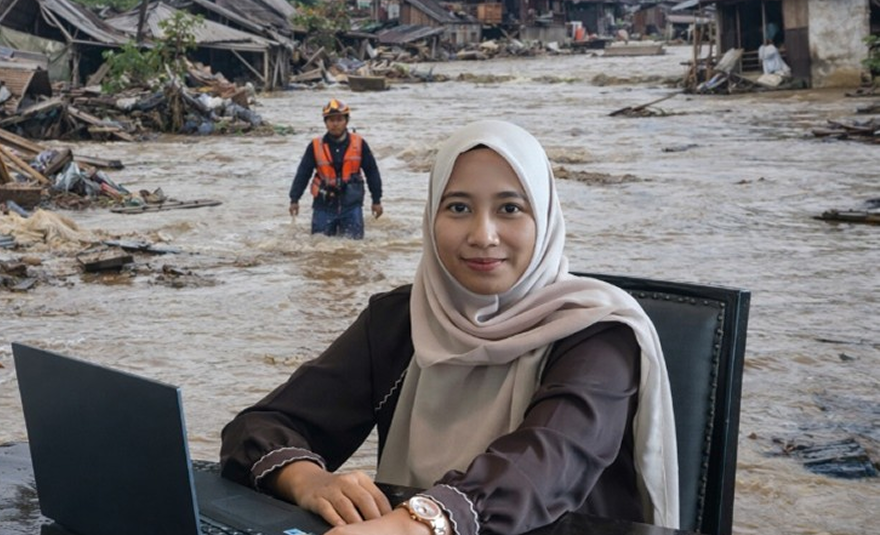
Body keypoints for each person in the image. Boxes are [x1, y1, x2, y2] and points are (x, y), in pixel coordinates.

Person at [224, 120, 679, 535]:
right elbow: (261, 424)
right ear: (430, 217)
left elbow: (546, 462)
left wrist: (417, 525)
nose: (483, 235)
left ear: (544, 217)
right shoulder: (401, 321)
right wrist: (307, 480)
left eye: (510, 209)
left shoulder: (597, 332)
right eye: (458, 207)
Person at [288, 99, 383, 239]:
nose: (335, 124)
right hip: (323, 205)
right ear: (325, 122)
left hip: (351, 205)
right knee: (320, 247)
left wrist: (376, 200)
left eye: (339, 119)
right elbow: (303, 173)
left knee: (354, 249)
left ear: (346, 121)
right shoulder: (315, 146)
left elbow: (372, 172)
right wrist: (294, 199)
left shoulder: (359, 144)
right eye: (331, 120)